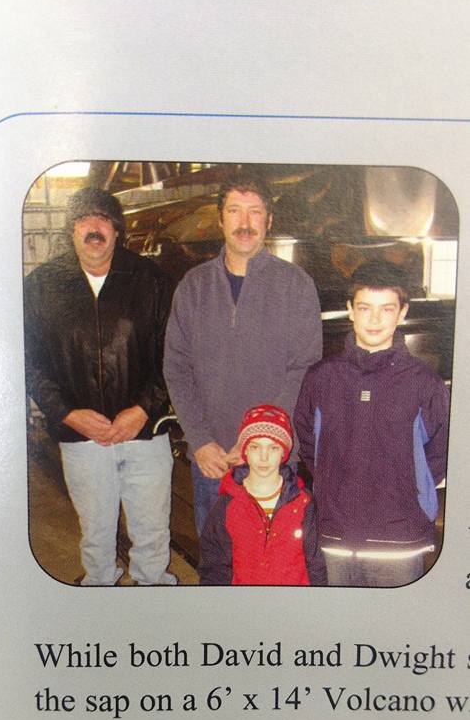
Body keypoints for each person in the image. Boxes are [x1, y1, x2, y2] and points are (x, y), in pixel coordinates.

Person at [24, 186, 176, 586]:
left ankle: (155, 596)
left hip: (144, 434)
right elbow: (28, 361)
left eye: (103, 219)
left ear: (117, 230)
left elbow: (174, 355)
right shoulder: (42, 286)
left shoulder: (151, 281)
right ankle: (99, 594)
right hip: (82, 438)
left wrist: (143, 409)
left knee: (152, 535)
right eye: (83, 219)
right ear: (71, 230)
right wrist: (68, 414)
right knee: (95, 535)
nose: (94, 227)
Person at [164, 170, 322, 536]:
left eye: (255, 212)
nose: (245, 223)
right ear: (220, 220)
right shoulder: (194, 286)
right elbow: (176, 368)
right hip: (213, 459)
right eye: (235, 211)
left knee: (274, 559)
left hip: (274, 456)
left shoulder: (296, 285)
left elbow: (304, 368)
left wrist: (258, 438)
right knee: (218, 558)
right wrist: (199, 440)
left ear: (269, 220)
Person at [293, 260, 449, 588]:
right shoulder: (321, 378)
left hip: (399, 542)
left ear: (402, 313)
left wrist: (410, 488)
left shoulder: (424, 384)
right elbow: (308, 442)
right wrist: (333, 483)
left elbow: (442, 450)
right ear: (350, 310)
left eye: (386, 309)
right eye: (365, 308)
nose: (375, 320)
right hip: (336, 537)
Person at [199, 404, 326, 585]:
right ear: (245, 451)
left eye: (273, 448)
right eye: (255, 447)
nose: (264, 457)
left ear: (284, 452)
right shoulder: (227, 504)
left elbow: (316, 564)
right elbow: (214, 566)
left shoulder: (303, 503)